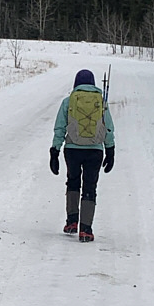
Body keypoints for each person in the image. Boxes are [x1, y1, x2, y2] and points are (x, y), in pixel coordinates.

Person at [50, 69, 115, 242]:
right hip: (95, 150)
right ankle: (86, 229)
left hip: (72, 149)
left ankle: (72, 221)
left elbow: (60, 127)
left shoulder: (68, 101)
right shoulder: (101, 102)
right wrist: (110, 149)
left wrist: (54, 150)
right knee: (89, 186)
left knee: (73, 181)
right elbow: (108, 127)